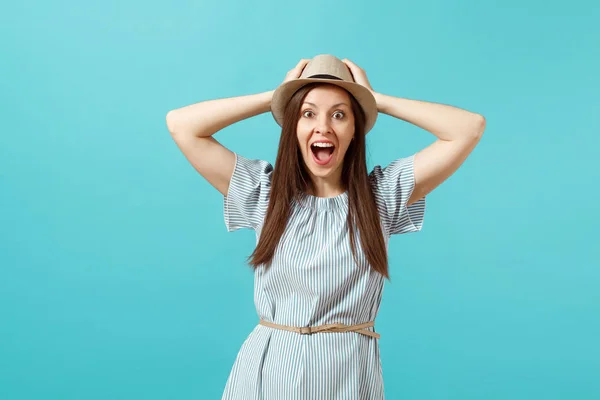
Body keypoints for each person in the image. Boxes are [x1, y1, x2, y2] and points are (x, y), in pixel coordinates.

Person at [166, 54, 485, 399]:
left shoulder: (382, 196)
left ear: (354, 130)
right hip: (271, 372)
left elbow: (468, 128)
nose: (323, 127)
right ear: (293, 127)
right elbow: (182, 124)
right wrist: (277, 96)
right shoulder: (265, 194)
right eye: (307, 113)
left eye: (339, 114)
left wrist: (375, 101)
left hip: (349, 374)